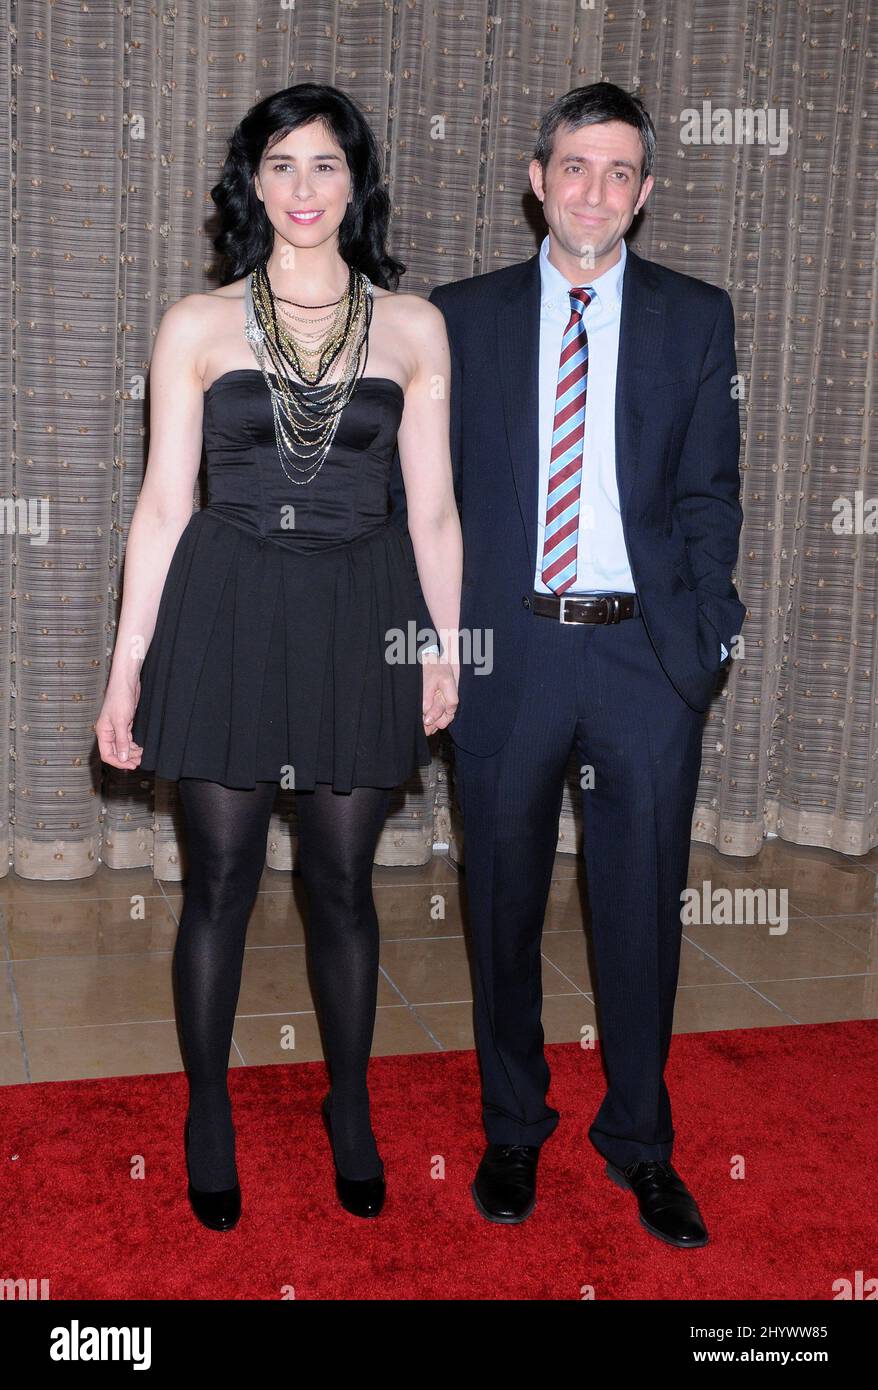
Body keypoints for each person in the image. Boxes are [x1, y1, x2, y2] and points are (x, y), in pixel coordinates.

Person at [94, 82, 462, 1231]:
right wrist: (126, 667)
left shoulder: (412, 326)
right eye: (282, 165)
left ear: (357, 183)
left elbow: (436, 512)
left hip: (364, 609)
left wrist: (446, 652)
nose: (304, 189)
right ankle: (210, 1111)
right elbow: (159, 510)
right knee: (220, 886)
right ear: (251, 182)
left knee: (346, 890)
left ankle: (347, 1104)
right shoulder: (196, 324)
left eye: (326, 165)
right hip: (227, 608)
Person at [404, 82, 747, 1247]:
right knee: (499, 900)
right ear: (534, 179)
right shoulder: (461, 317)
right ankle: (512, 1126)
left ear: (643, 193)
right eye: (572, 166)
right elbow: (425, 503)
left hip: (644, 663)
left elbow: (708, 497)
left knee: (639, 912)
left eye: (616, 172)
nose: (592, 190)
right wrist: (433, 644)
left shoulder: (696, 319)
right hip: (509, 654)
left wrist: (703, 637)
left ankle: (639, 1144)